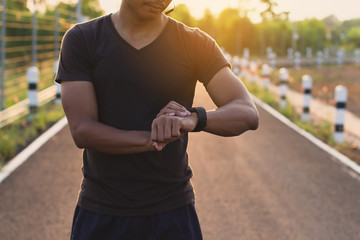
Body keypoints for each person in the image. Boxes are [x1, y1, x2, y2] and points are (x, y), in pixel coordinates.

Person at [55, 0, 259, 239]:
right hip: (101, 212)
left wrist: (193, 119)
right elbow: (83, 130)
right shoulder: (82, 39)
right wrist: (152, 139)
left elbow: (247, 112)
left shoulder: (194, 42)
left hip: (172, 213)